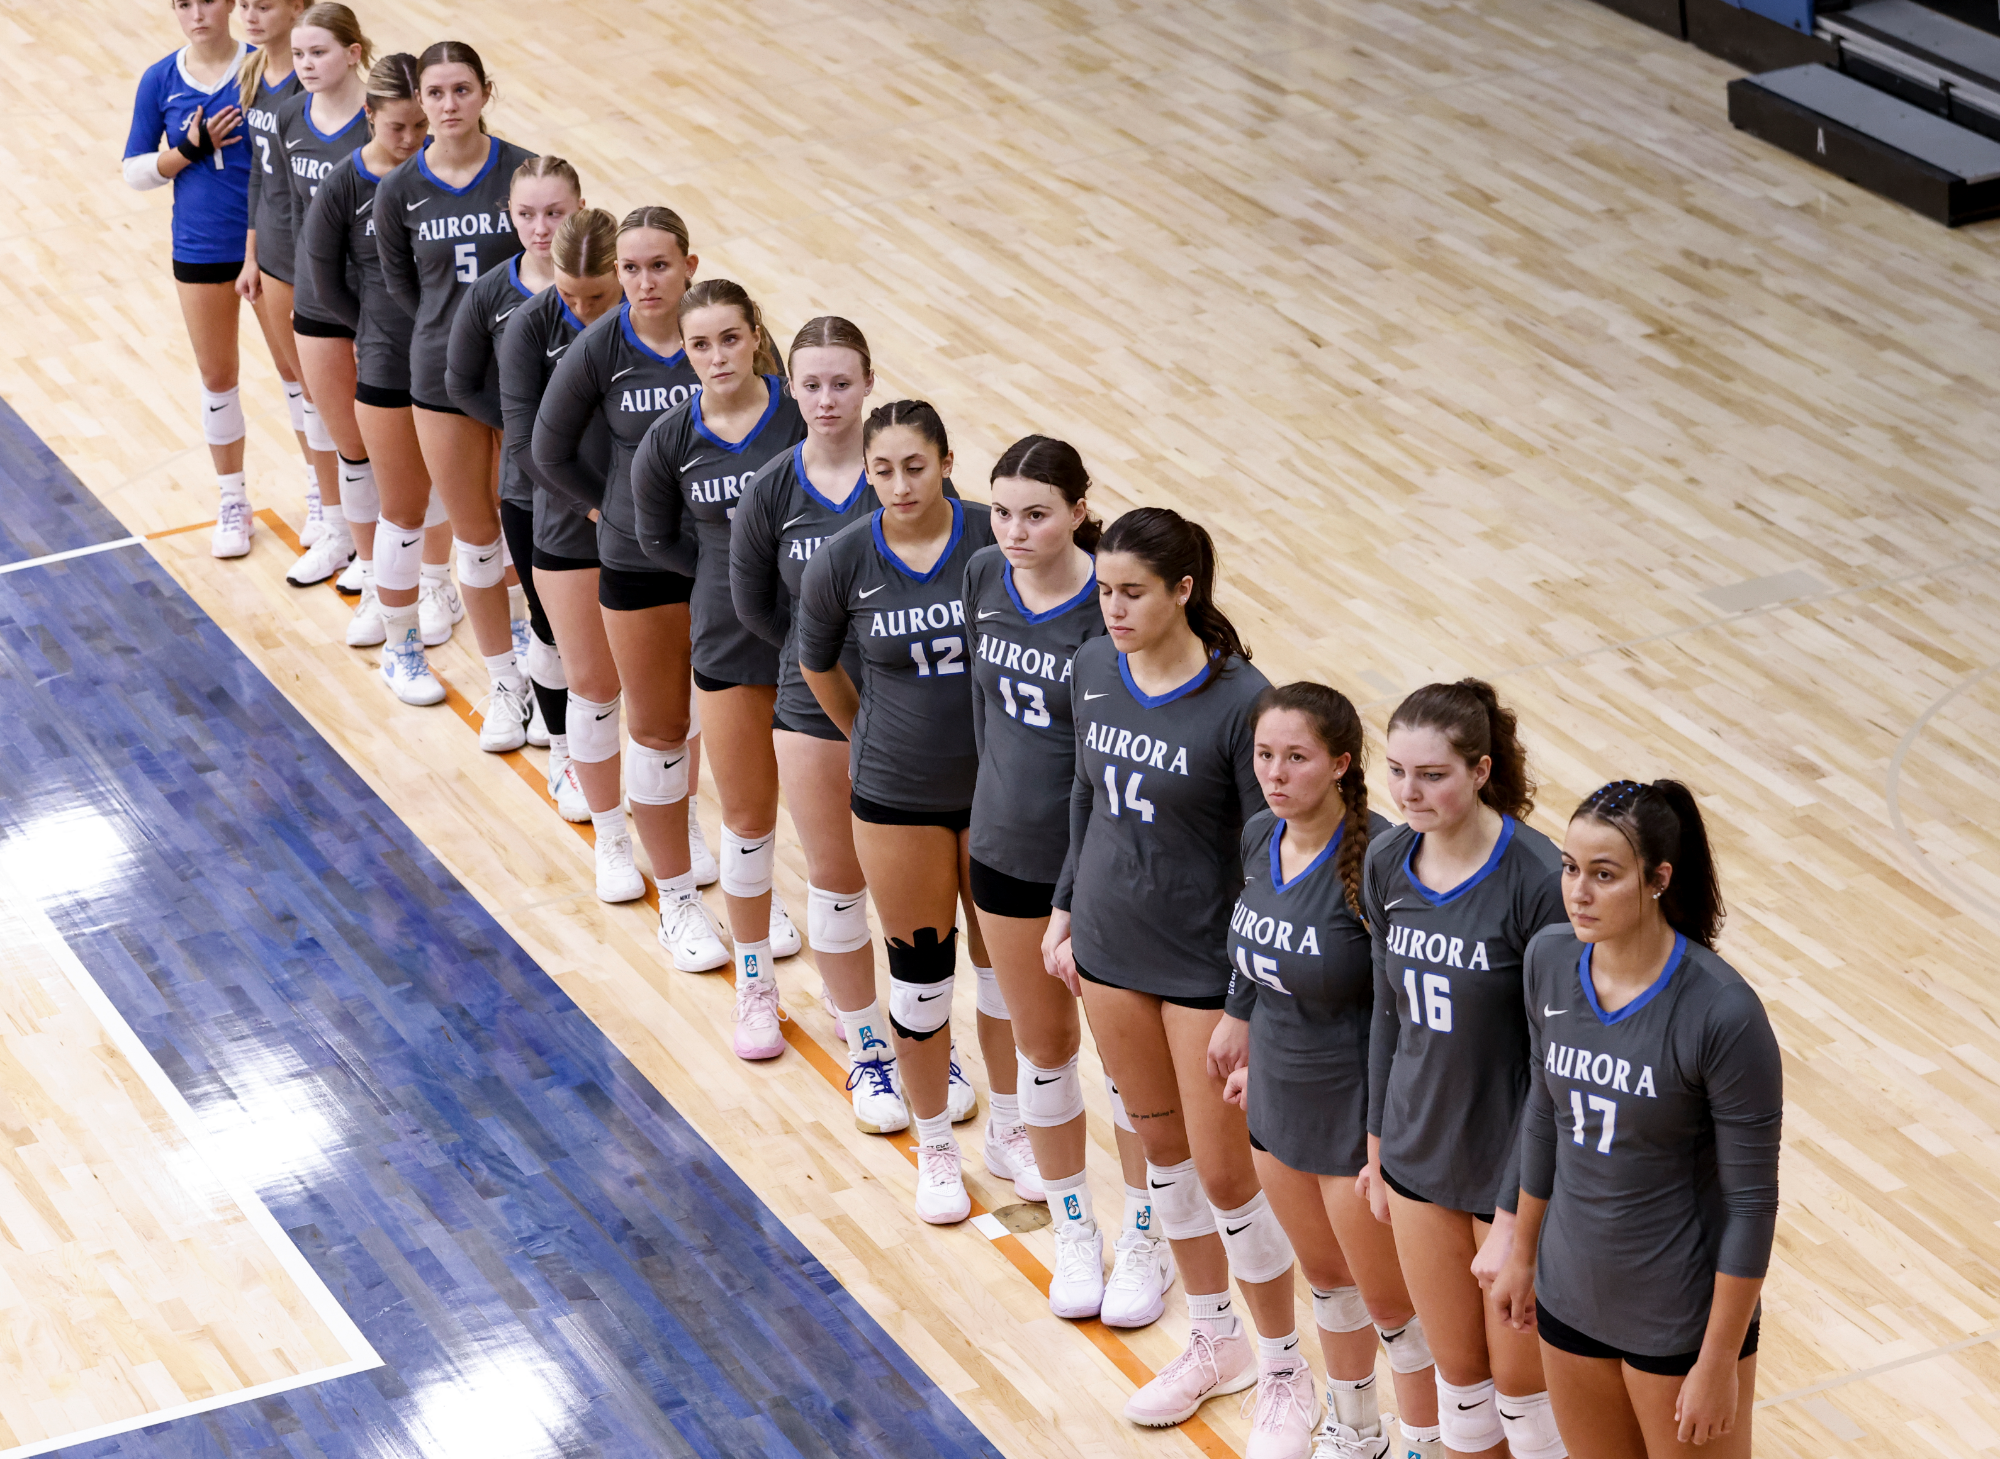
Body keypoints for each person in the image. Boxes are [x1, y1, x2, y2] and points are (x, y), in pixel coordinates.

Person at [1045, 506, 1307, 1443]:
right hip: (1112, 952)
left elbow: (1268, 858)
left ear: (1184, 590)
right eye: (1105, 589)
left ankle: (1285, 1366)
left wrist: (1246, 997)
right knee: (1167, 1170)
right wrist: (1067, 905)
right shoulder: (1089, 669)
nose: (1110, 608)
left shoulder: (1245, 704)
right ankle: (1212, 1339)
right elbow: (1082, 791)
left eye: (1131, 592)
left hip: (1204, 970)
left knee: (1231, 1178)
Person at [1491, 782, 1778, 1459]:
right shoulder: (1549, 959)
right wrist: (1521, 1252)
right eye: (1569, 867)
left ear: (1658, 879)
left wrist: (1717, 1360)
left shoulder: (1723, 1012)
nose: (1578, 892)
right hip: (1569, 1297)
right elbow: (1544, 1110)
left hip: (1677, 1319)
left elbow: (1752, 1205)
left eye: (1604, 874)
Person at [797, 401, 1020, 1223]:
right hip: (895, 799)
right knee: (923, 985)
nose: (897, 484)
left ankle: (1013, 1128)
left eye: (914, 467)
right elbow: (816, 661)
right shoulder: (845, 558)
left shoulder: (991, 547)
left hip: (998, 795)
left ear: (948, 462)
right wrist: (865, 735)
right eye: (881, 469)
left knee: (1007, 978)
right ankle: (936, 1146)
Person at [1208, 683, 1442, 1459]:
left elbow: (1401, 1011)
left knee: (1394, 1310)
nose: (1275, 773)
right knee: (1330, 1287)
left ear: (1341, 763)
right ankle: (1356, 1428)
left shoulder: (1378, 861)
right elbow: (1256, 945)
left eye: (1296, 757)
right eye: (1265, 755)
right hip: (1277, 1105)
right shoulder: (1256, 838)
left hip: (1354, 1118)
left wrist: (1387, 1133)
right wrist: (1240, 1017)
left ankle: (1425, 1445)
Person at [962, 437, 1160, 1325]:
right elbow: (984, 713)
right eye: (1001, 510)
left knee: (1127, 1070)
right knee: (1044, 1051)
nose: (1013, 530)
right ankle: (1076, 1229)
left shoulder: (1109, 611)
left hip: (1100, 873)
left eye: (1036, 512)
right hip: (1004, 850)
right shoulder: (980, 578)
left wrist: (1087, 884)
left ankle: (1149, 1234)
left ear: (1082, 511)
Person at [1359, 681, 1567, 1459]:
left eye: (1433, 774)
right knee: (1464, 1396)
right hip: (1417, 1156)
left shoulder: (1538, 879)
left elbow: (1557, 1064)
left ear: (1481, 770)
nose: (1410, 792)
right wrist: (1377, 1140)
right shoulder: (1386, 858)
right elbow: (1386, 1011)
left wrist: (1518, 1212)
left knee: (1526, 1404)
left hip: (1508, 1171)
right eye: (1399, 771)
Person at [532, 205, 723, 958]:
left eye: (660, 266)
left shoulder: (721, 336)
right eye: (632, 268)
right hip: (638, 559)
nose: (645, 281)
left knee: (704, 712)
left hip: (712, 559)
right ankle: (633, 856)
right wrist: (611, 510)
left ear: (689, 268)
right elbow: (545, 448)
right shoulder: (599, 347)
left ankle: (709, 849)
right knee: (646, 718)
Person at [731, 319, 908, 1125]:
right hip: (809, 709)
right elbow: (757, 607)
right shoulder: (771, 488)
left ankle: (919, 1046)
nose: (827, 399)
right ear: (790, 386)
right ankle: (869, 1054)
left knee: (911, 908)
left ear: (870, 381)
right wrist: (821, 663)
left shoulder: (901, 479)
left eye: (842, 383)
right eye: (811, 384)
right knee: (837, 885)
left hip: (913, 714)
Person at [630, 280, 806, 1060]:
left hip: (816, 646)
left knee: (840, 839)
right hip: (729, 642)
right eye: (699, 345)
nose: (715, 357)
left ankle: (849, 993)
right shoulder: (671, 439)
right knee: (747, 820)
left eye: (729, 339)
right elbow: (659, 539)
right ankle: (756, 984)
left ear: (755, 335)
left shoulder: (804, 415)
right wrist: (723, 579)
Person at [372, 41, 535, 729]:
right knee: (475, 535)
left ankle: (540, 658)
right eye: (435, 94)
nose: (447, 106)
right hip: (442, 378)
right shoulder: (400, 189)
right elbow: (406, 288)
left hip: (528, 376)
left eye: (461, 90)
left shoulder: (525, 173)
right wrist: (456, 337)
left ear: (485, 93)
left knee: (526, 535)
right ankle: (504, 682)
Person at [299, 49, 456, 658]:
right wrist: (368, 329)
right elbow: (323, 275)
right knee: (393, 484)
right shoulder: (345, 184)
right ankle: (386, 596)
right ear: (370, 117)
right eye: (399, 128)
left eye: (422, 125)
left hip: (445, 353)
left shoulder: (446, 175)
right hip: (386, 351)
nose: (413, 139)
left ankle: (439, 584)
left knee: (449, 475)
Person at [446, 153, 589, 753]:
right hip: (528, 488)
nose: (540, 227)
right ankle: (559, 738)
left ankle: (588, 733)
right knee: (544, 610)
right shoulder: (490, 292)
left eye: (554, 213)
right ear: (509, 213)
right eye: (526, 213)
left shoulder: (603, 291)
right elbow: (459, 381)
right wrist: (522, 431)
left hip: (599, 490)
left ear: (579, 211)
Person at [499, 206, 622, 824]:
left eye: (596, 297)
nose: (580, 311)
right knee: (568, 655)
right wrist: (598, 507)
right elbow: (522, 446)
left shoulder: (668, 327)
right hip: (558, 515)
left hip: (644, 528)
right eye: (569, 296)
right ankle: (568, 755)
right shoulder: (530, 326)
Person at [123, 0, 254, 558]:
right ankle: (232, 500)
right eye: (183, 4)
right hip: (199, 248)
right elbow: (134, 171)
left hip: (268, 248)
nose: (196, 13)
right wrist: (187, 151)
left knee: (301, 379)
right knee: (217, 376)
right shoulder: (160, 79)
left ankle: (324, 502)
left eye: (207, 0)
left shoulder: (259, 70)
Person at [274, 3, 373, 591]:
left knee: (371, 431)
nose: (306, 64)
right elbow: (292, 212)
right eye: (299, 55)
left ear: (353, 53)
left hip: (372, 298)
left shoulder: (378, 121)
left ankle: (384, 544)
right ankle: (339, 532)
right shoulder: (290, 117)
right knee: (328, 422)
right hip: (315, 297)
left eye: (319, 52)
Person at [235, 0, 331, 550]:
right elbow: (257, 174)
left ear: (297, 7)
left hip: (305, 261)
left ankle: (343, 503)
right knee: (296, 385)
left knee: (324, 391)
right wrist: (250, 256)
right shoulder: (253, 72)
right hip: (269, 253)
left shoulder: (311, 80)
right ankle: (320, 491)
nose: (249, 15)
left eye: (263, 4)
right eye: (243, 4)